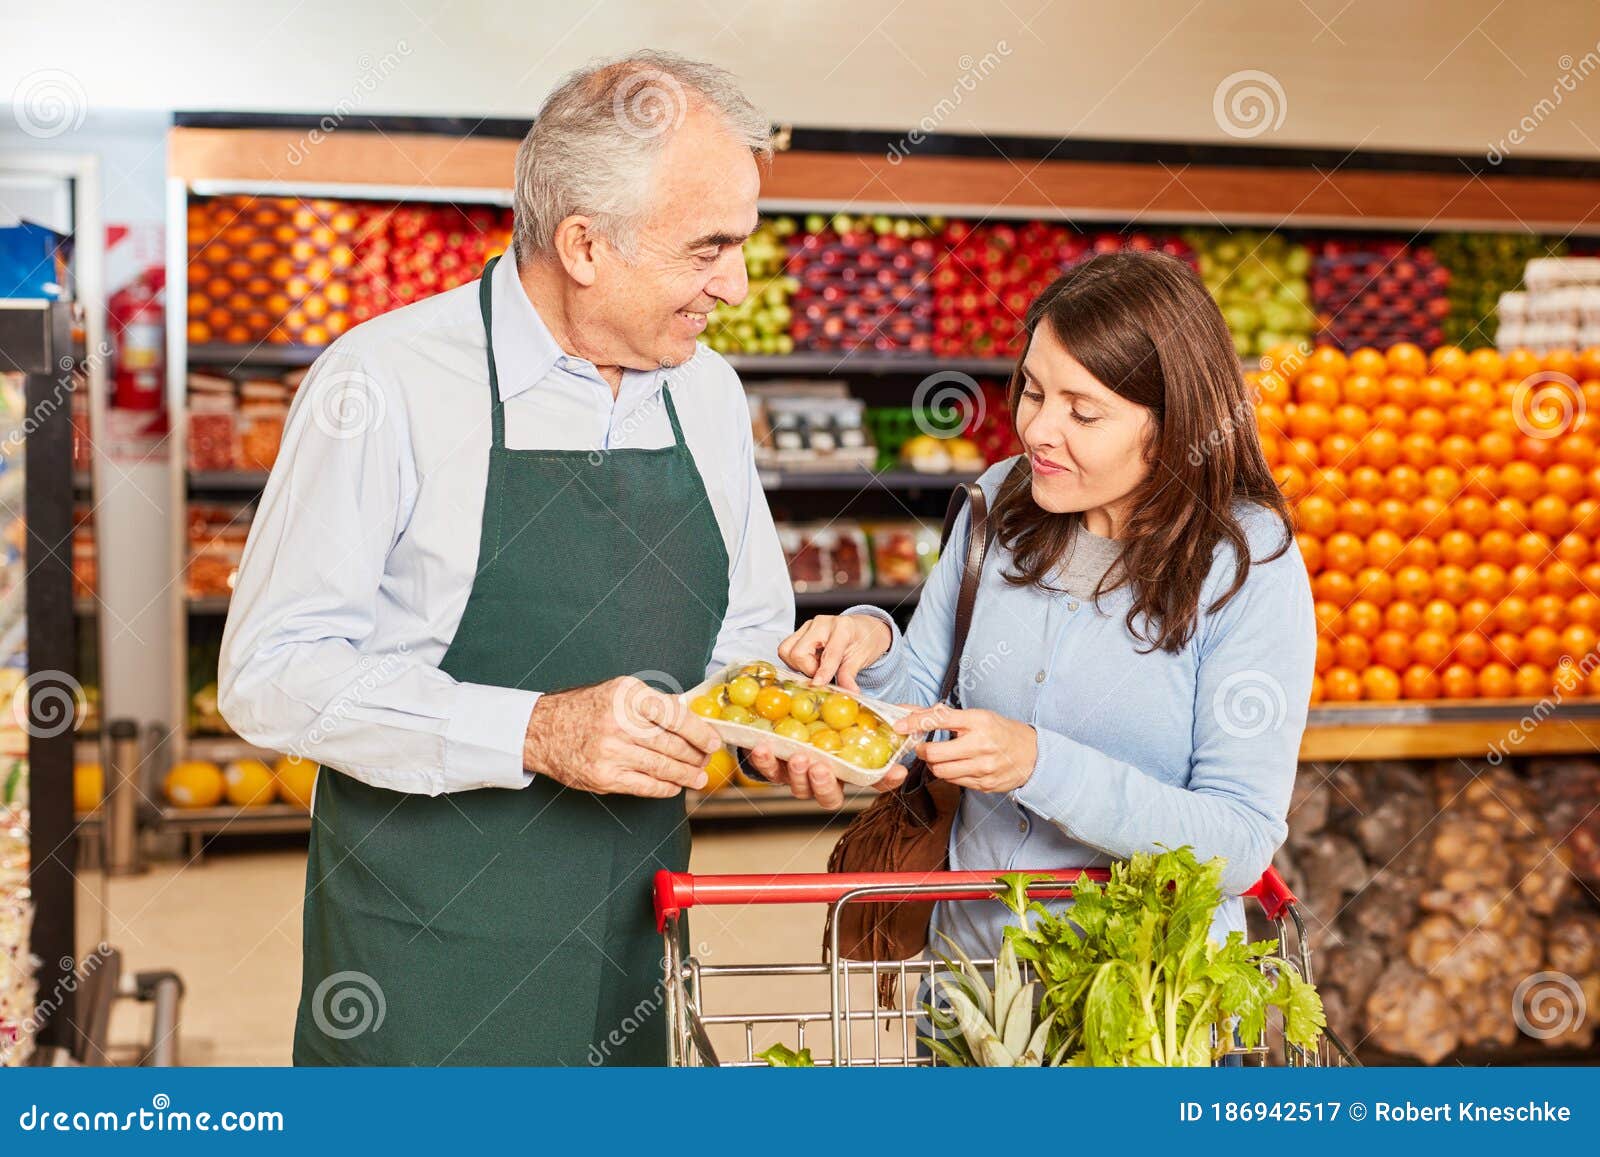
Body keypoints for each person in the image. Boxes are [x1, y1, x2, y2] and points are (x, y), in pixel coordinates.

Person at [218, 51, 793, 1066]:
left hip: (636, 936)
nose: (734, 284)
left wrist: (774, 717)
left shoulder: (706, 392)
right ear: (584, 244)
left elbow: (745, 629)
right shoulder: (384, 383)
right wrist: (533, 730)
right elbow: (270, 672)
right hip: (424, 960)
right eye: (709, 248)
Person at [761, 249, 1316, 959]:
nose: (1038, 431)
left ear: (1176, 424)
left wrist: (1037, 764)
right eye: (1032, 390)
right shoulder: (1001, 501)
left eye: (1083, 412)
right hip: (971, 985)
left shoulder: (1246, 563)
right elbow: (924, 709)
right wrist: (870, 648)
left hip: (1147, 1000)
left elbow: (1239, 843)